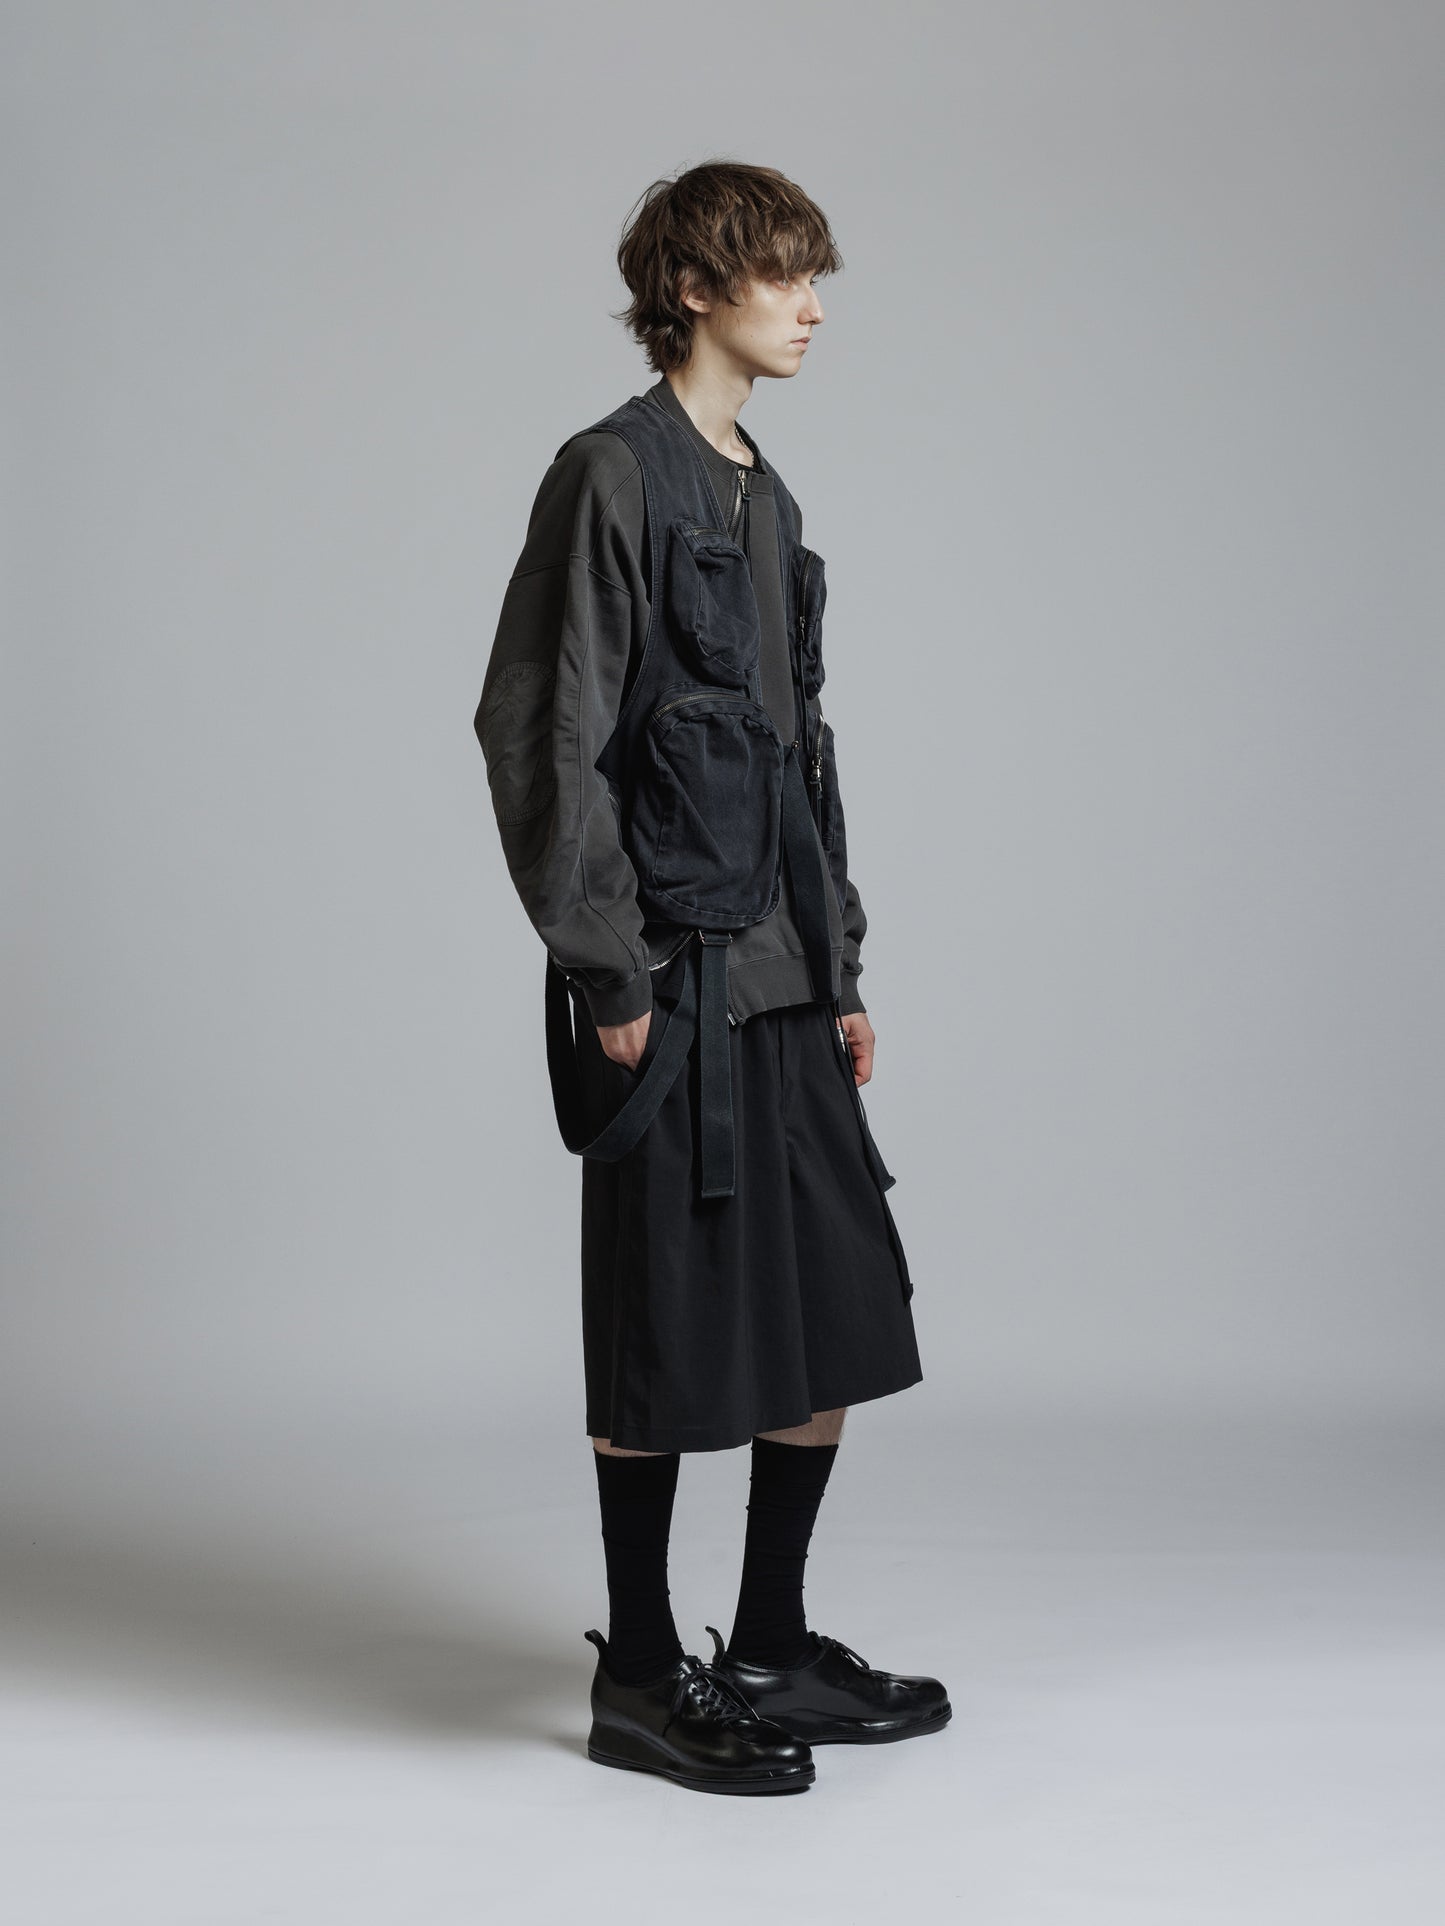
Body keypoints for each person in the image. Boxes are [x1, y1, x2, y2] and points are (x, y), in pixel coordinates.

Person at [475, 160, 949, 1796]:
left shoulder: (767, 494)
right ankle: (638, 1669)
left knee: (832, 1307)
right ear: (693, 289)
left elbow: (797, 749)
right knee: (667, 1320)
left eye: (815, 276)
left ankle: (767, 1641)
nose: (811, 306)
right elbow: (539, 727)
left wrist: (841, 959)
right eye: (783, 275)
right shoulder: (611, 473)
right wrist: (605, 965)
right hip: (667, 976)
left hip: (785, 974)